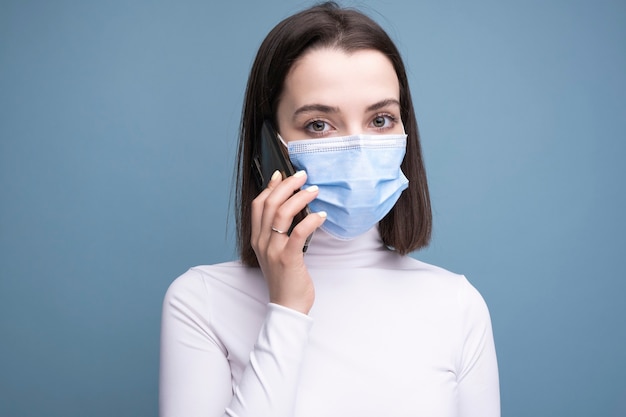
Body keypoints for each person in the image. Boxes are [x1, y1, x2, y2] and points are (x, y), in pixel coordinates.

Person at [159, 2, 500, 416]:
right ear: (271, 147)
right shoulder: (201, 302)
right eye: (319, 124)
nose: (357, 148)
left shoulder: (457, 306)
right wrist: (286, 310)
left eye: (380, 120)